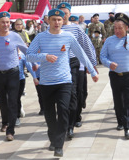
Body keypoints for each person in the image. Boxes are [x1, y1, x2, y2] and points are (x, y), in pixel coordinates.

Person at [26, 8, 99, 157]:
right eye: (54, 19)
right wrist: (44, 56)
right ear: (48, 21)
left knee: (64, 111)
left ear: (63, 20)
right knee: (50, 115)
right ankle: (53, 139)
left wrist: (92, 71)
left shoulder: (69, 36)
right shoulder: (40, 37)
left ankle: (59, 145)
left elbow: (81, 55)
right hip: (46, 83)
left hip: (64, 81)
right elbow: (28, 56)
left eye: (59, 20)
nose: (57, 22)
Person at [0, 11, 33, 141]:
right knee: (2, 101)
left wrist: (37, 59)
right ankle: (4, 122)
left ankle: (10, 130)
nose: (5, 25)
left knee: (12, 100)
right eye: (2, 22)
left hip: (13, 72)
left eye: (7, 22)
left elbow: (26, 51)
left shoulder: (15, 36)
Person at [57, 2, 97, 140]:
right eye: (60, 13)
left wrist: (92, 64)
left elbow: (86, 45)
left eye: (65, 13)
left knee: (77, 93)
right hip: (58, 67)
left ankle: (72, 122)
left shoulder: (76, 29)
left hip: (76, 65)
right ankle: (64, 122)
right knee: (63, 97)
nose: (63, 15)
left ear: (69, 13)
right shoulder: (52, 29)